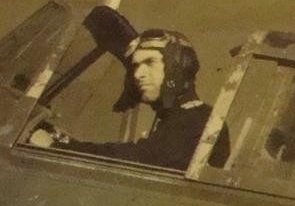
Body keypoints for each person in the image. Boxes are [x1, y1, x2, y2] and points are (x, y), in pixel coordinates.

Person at [29, 28, 229, 171]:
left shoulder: (199, 119)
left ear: (178, 68)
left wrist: (58, 149)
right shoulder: (179, 117)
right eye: (136, 66)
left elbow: (139, 158)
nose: (138, 74)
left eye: (150, 62)